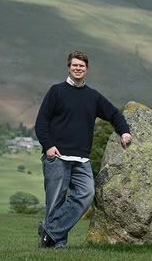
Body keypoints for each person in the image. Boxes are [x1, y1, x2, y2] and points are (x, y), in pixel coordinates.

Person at [35, 50, 132, 248]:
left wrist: (124, 131)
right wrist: (49, 146)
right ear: (68, 67)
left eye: (82, 66)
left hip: (81, 159)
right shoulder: (56, 91)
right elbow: (41, 122)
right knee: (55, 202)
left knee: (86, 194)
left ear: (87, 69)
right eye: (74, 65)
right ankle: (57, 245)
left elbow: (114, 114)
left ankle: (49, 231)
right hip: (57, 156)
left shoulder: (93, 97)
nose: (78, 68)